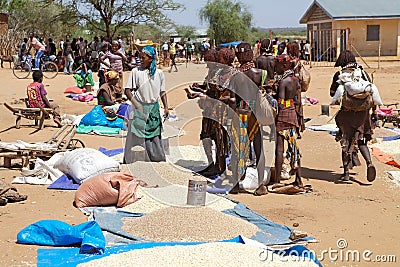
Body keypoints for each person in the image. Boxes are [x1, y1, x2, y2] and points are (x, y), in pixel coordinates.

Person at [329, 50, 376, 182]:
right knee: (361, 140)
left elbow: (332, 93)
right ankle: (369, 163)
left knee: (346, 141)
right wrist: (374, 114)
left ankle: (346, 173)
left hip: (346, 114)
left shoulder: (339, 75)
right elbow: (372, 94)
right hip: (363, 114)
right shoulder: (363, 74)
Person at [123, 46, 169, 163]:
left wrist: (166, 107)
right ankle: (131, 161)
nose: (141, 60)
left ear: (151, 58)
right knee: (135, 135)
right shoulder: (136, 72)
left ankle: (156, 161)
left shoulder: (159, 74)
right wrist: (137, 105)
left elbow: (162, 92)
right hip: (139, 107)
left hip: (153, 108)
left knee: (154, 135)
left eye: (143, 58)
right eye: (139, 58)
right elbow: (127, 90)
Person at [271, 54, 303, 188]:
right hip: (293, 114)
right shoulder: (295, 80)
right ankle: (299, 179)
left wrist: (273, 96)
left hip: (283, 115)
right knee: (294, 147)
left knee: (279, 149)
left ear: (284, 66)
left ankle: (277, 180)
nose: (275, 68)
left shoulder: (284, 82)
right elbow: (295, 99)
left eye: (277, 65)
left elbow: (281, 102)